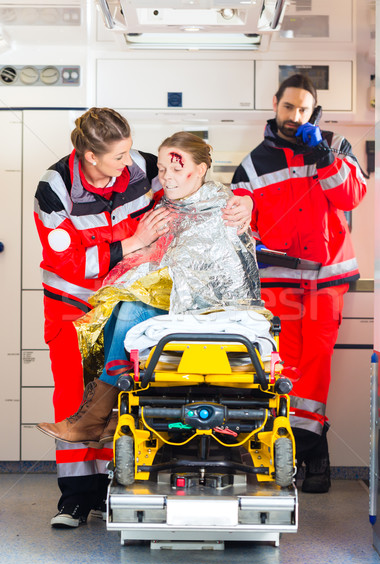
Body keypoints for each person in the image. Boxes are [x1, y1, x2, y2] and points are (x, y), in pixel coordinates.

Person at [34, 112, 253, 528]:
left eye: (132, 150)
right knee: (71, 396)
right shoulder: (54, 189)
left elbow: (195, 186)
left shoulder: (141, 169)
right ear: (89, 157)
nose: (131, 162)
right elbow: (64, 259)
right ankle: (78, 500)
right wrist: (131, 243)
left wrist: (246, 202)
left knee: (115, 395)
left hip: (128, 295)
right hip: (75, 300)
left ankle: (109, 490)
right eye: (119, 155)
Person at [231, 73, 367, 493]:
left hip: (327, 277)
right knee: (285, 366)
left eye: (303, 109)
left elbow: (350, 197)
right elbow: (239, 230)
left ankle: (310, 452)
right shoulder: (252, 164)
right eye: (288, 107)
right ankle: (302, 455)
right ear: (275, 103)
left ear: (314, 111)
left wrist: (322, 154)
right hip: (278, 281)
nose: (294, 116)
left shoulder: (336, 147)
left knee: (317, 361)